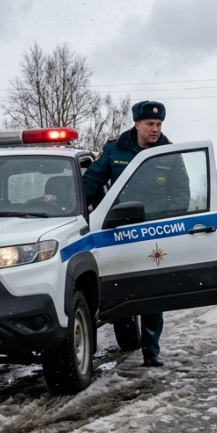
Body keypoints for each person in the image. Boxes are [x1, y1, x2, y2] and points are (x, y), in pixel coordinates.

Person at [82, 100, 186, 367]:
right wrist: (77, 210)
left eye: (159, 124)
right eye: (150, 124)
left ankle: (151, 351)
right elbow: (93, 181)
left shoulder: (169, 153)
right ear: (137, 124)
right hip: (119, 229)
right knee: (122, 285)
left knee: (152, 292)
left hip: (154, 230)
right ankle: (127, 334)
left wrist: (166, 221)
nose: (155, 129)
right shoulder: (115, 148)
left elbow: (182, 195)